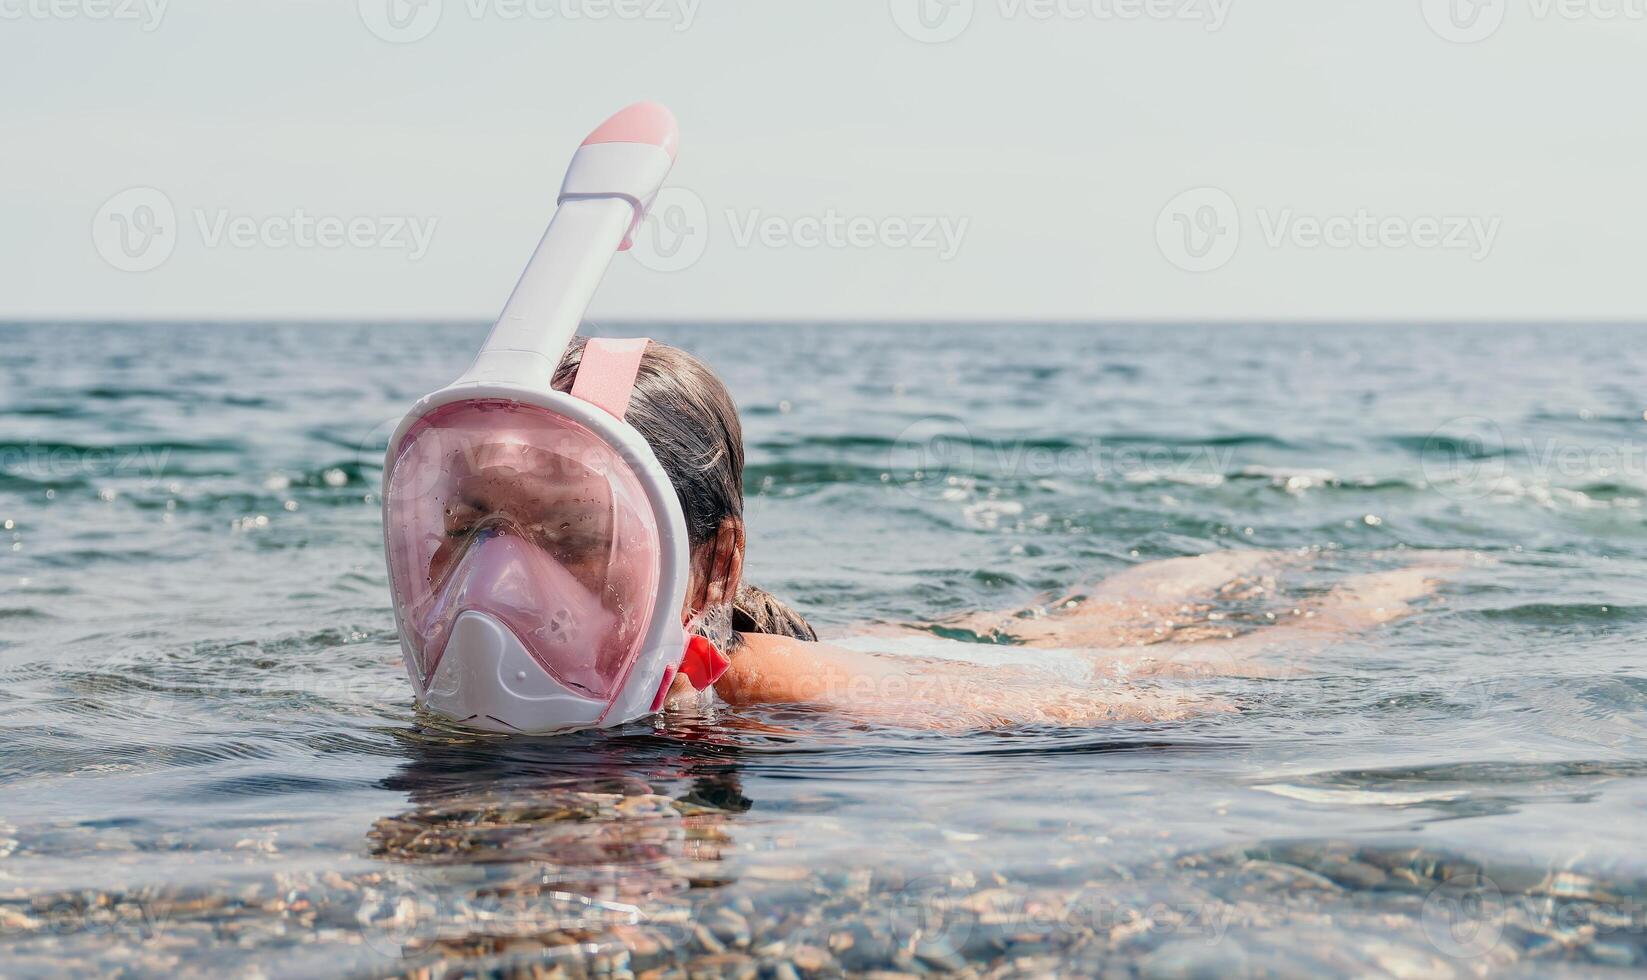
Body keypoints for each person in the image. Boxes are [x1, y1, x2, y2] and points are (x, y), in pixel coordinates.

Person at [529, 338, 1455, 731]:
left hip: (904, 672)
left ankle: (1399, 577)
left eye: (574, 537)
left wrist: (1183, 710)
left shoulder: (765, 686)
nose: (512, 578)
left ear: (715, 561)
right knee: (1034, 621)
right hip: (875, 647)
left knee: (1204, 650)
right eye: (463, 527)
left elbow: (1155, 712)